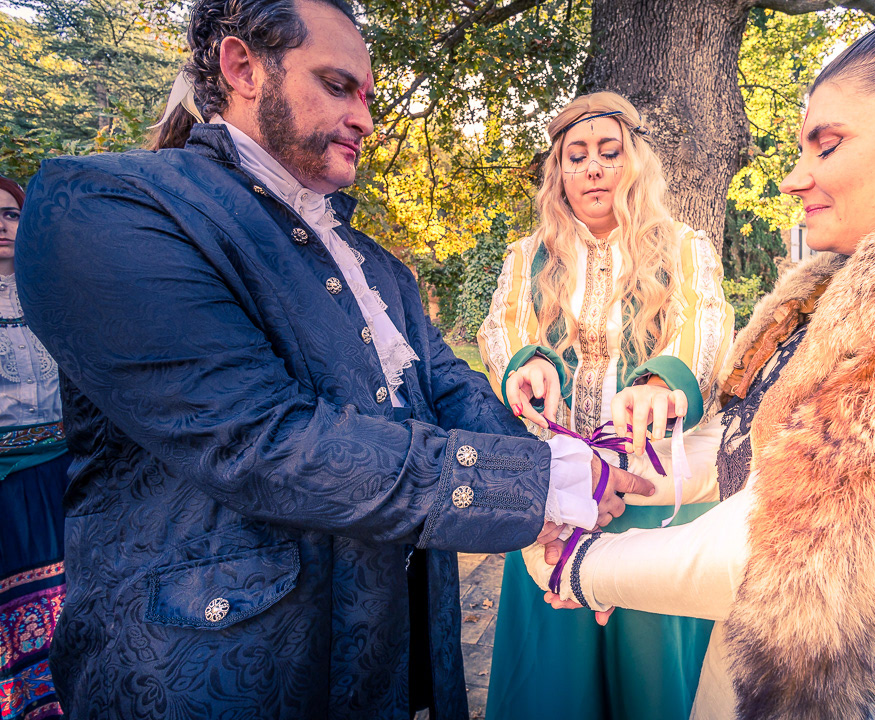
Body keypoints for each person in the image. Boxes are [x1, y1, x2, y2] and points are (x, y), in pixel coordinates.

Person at [13, 2, 653, 718]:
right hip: (214, 674)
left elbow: (449, 390)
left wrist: (563, 504)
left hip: (388, 659)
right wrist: (540, 485)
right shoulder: (107, 206)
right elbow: (259, 438)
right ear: (243, 68)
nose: (365, 120)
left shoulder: (373, 263)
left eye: (368, 96)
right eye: (338, 85)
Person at [520, 0, 875, 718]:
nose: (791, 179)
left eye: (828, 144)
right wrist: (615, 471)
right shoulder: (856, 288)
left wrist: (579, 566)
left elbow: (796, 560)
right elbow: (763, 457)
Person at [478, 92, 733, 720]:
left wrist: (661, 382)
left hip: (653, 492)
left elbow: (707, 324)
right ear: (559, 172)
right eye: (576, 156)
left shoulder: (684, 247)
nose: (592, 167)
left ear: (634, 162)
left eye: (608, 152)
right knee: (552, 680)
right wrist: (525, 362)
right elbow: (500, 330)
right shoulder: (527, 256)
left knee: (653, 674)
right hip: (557, 491)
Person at [0, 175, 70, 720]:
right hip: (5, 484)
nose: (2, 226)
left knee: (66, 593)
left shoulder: (51, 293)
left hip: (62, 472)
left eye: (10, 214)